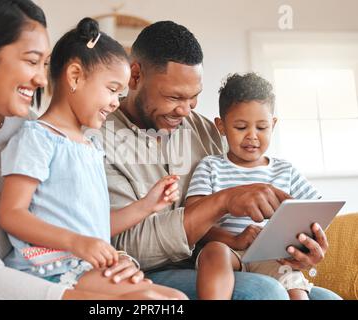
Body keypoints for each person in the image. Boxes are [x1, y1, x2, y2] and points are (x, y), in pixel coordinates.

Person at [0, 0, 158, 300]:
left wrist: (117, 264)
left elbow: (75, 221)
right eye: (32, 61)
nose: (43, 79)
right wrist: (91, 298)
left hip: (29, 274)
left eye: (45, 64)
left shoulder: (25, 123)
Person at [101, 21, 341, 300]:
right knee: (266, 293)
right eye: (174, 97)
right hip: (149, 271)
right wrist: (224, 201)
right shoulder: (100, 137)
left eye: (193, 98)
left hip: (225, 263)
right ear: (134, 76)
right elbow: (127, 246)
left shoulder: (202, 129)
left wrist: (298, 247)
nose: (184, 111)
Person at [0, 17, 186, 300]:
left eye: (120, 93)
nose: (115, 102)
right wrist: (77, 242)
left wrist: (147, 205)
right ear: (75, 76)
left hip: (84, 264)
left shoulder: (91, 145)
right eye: (111, 89)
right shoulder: (37, 138)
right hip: (47, 269)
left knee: (176, 299)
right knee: (155, 301)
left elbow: (95, 226)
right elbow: (11, 214)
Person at [186, 73, 323, 300]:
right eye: (240, 127)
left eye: (261, 127)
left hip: (271, 255)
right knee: (214, 251)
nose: (252, 136)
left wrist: (308, 242)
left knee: (296, 287)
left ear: (273, 124)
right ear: (221, 126)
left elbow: (315, 211)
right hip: (227, 249)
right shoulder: (210, 167)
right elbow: (193, 220)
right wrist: (234, 240)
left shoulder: (285, 171)